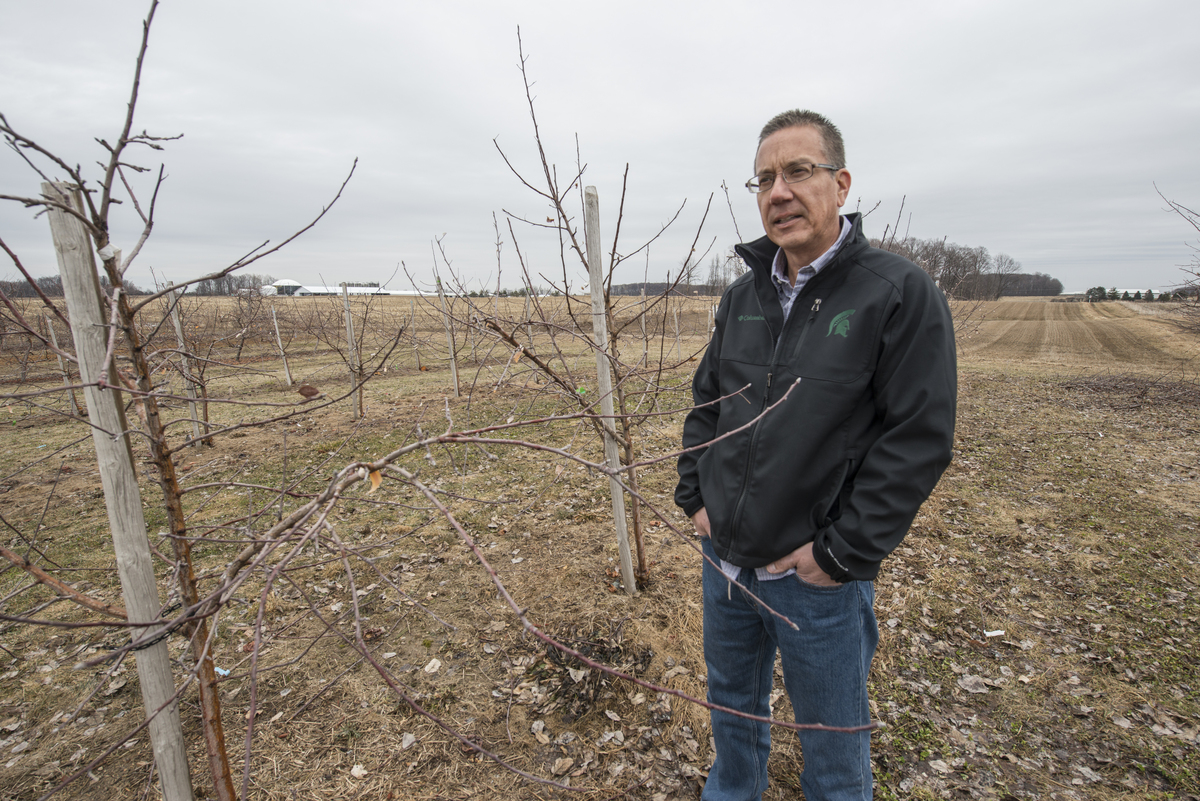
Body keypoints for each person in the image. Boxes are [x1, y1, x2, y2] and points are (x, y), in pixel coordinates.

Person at [674, 109, 957, 800]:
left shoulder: (896, 294)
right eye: (764, 178)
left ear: (841, 183)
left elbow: (918, 438)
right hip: (727, 566)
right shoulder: (743, 294)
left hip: (815, 581)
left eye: (799, 171)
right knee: (732, 729)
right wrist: (695, 497)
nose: (779, 191)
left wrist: (839, 555)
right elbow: (707, 400)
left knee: (833, 756)